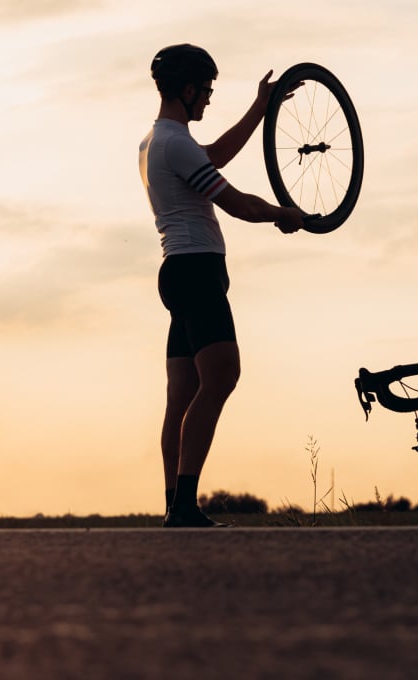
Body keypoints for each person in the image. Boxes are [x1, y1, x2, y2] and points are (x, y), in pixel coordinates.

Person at [138, 44, 305, 528]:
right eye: (207, 92)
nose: (209, 100)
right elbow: (236, 203)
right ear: (188, 90)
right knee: (222, 378)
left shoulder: (156, 141)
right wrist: (281, 213)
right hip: (197, 272)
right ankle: (185, 506)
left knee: (182, 397)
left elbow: (215, 156)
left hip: (177, 271)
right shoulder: (174, 143)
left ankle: (175, 504)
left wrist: (261, 107)